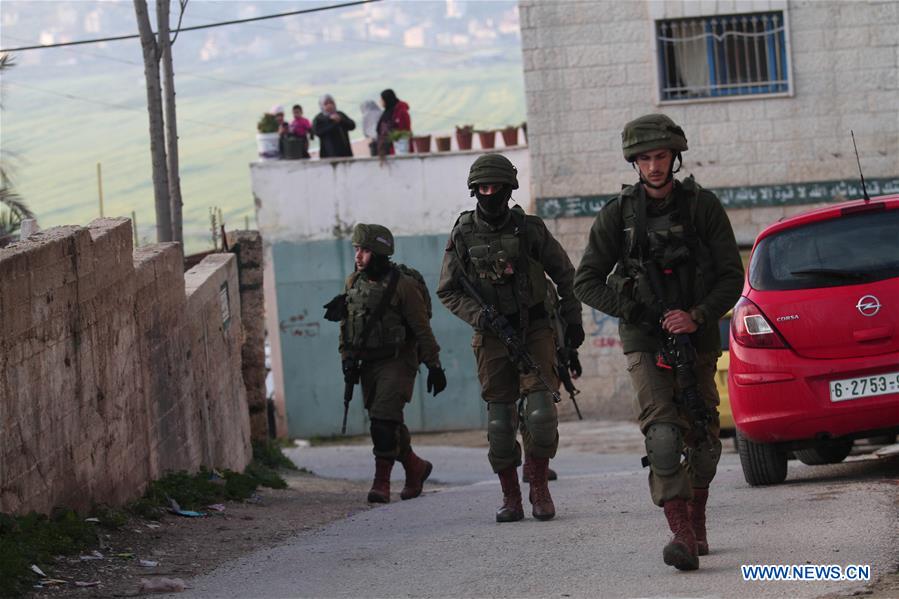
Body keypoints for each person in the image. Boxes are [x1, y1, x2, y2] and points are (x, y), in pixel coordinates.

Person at [573, 114, 743, 571]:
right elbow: (585, 281)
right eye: (644, 158)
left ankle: (698, 518)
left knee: (704, 437)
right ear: (634, 162)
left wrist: (698, 315)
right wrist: (635, 310)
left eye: (661, 156)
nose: (653, 166)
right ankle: (680, 533)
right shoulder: (617, 215)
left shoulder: (701, 207)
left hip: (697, 335)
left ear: (675, 156)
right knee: (663, 436)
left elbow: (732, 276)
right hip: (646, 340)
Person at [437, 153, 584, 523]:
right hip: (491, 337)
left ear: (508, 190)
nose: (488, 194)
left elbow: (566, 276)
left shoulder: (530, 230)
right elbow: (448, 290)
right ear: (474, 191)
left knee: (540, 415)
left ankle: (538, 487)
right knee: (501, 424)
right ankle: (510, 497)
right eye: (482, 188)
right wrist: (480, 316)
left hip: (534, 330)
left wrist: (572, 319)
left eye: (495, 188)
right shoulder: (462, 234)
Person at [332, 224, 447, 503]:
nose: (358, 256)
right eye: (357, 249)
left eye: (366, 250)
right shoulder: (353, 283)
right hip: (368, 363)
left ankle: (381, 483)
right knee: (388, 421)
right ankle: (415, 467)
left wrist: (434, 365)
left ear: (381, 252)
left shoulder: (403, 286)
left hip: (398, 361)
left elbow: (422, 328)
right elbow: (347, 325)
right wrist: (347, 358)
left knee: (383, 423)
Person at [313, 94, 356, 158]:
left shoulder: (340, 114)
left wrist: (341, 120)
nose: (329, 105)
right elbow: (317, 132)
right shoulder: (319, 118)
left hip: (345, 152)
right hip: (329, 154)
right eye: (326, 103)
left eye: (331, 102)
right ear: (322, 106)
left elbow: (352, 126)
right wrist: (331, 122)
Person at [376, 89, 411, 157]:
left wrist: (393, 137)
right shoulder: (387, 111)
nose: (380, 102)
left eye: (382, 99)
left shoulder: (401, 111)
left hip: (399, 149)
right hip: (387, 148)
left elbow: (404, 131)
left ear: (387, 99)